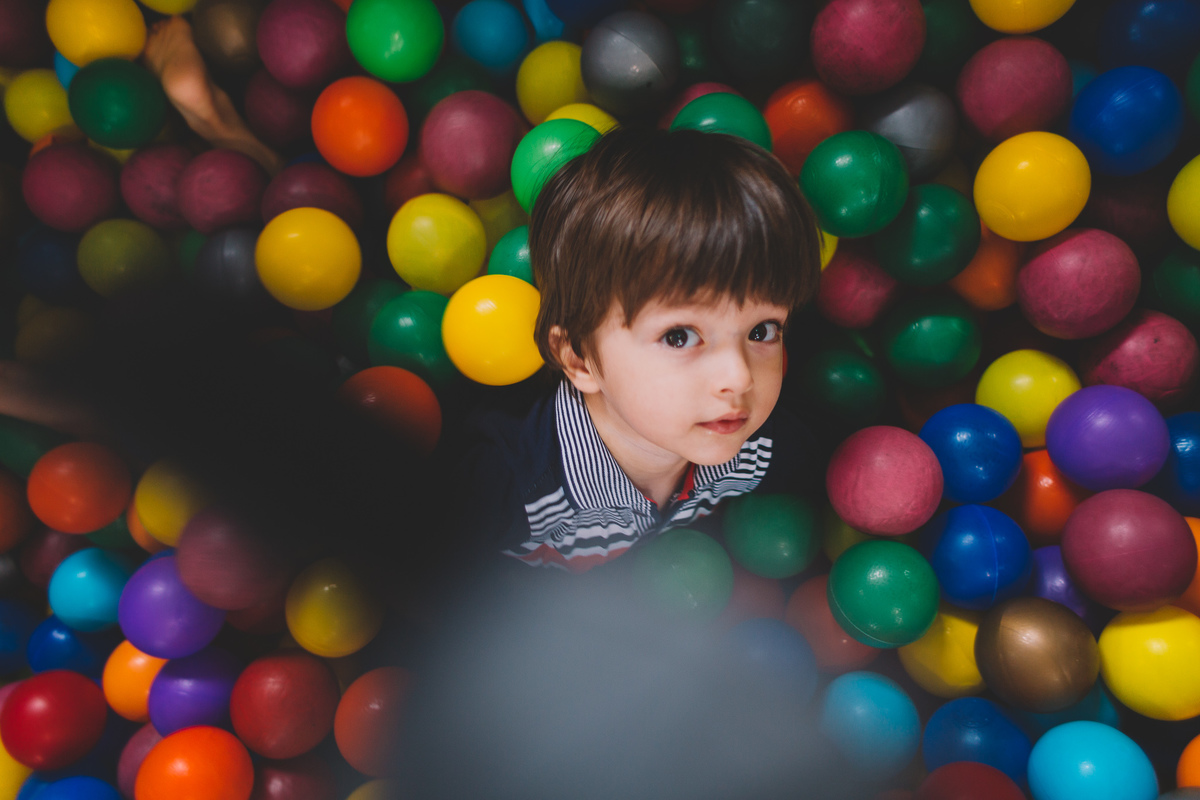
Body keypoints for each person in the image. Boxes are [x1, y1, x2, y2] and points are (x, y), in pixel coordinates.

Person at [452, 125, 823, 574]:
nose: (739, 377)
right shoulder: (509, 486)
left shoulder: (762, 448)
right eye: (679, 336)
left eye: (762, 331)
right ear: (577, 358)